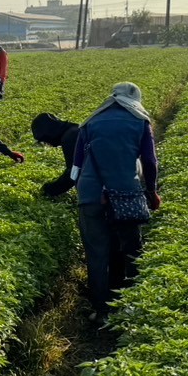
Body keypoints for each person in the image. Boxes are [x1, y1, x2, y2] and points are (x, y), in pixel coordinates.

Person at [71, 83, 160, 319]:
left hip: (90, 196)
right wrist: (152, 192)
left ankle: (101, 310)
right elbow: (149, 163)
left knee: (97, 253)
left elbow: (76, 165)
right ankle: (130, 306)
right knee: (130, 249)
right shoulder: (139, 122)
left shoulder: (90, 122)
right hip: (125, 195)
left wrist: (86, 190)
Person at [31, 113, 81, 198]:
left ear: (49, 133)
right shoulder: (74, 130)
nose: (49, 144)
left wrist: (50, 189)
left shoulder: (70, 137)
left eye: (46, 140)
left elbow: (73, 172)